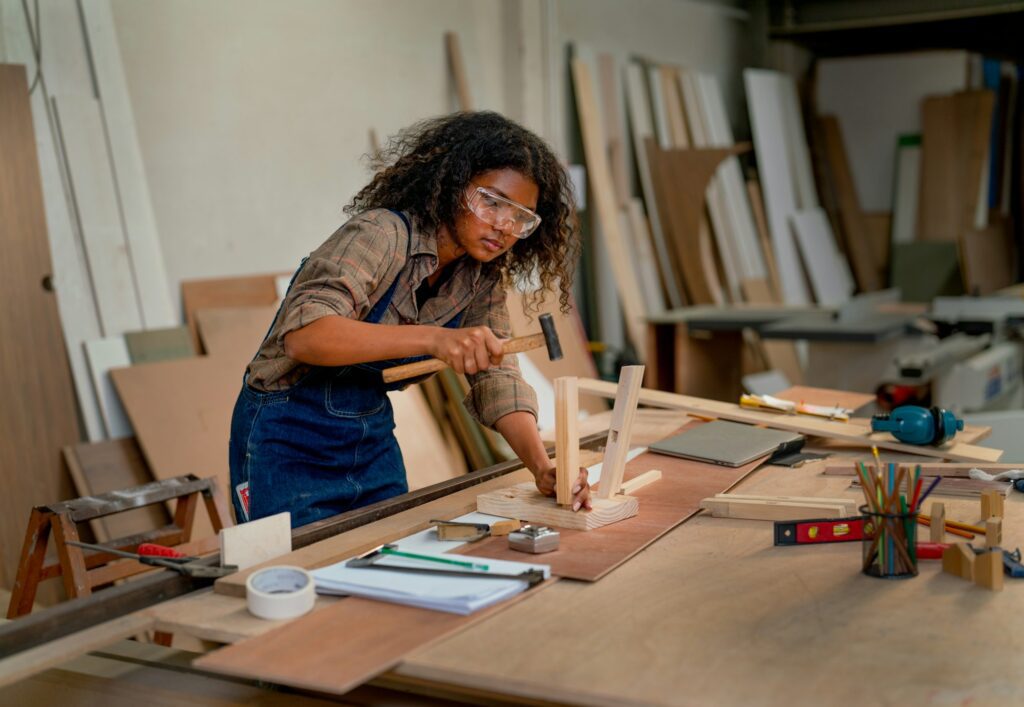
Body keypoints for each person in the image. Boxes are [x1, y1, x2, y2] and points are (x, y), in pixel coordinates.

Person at [228, 111, 591, 527]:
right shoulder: (381, 235)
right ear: (454, 185)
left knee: (386, 555)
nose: (504, 226)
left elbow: (498, 376)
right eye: (491, 202)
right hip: (285, 438)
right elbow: (307, 335)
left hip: (367, 437)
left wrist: (542, 468)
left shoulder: (480, 278)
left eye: (521, 217)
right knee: (298, 573)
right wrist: (433, 339)